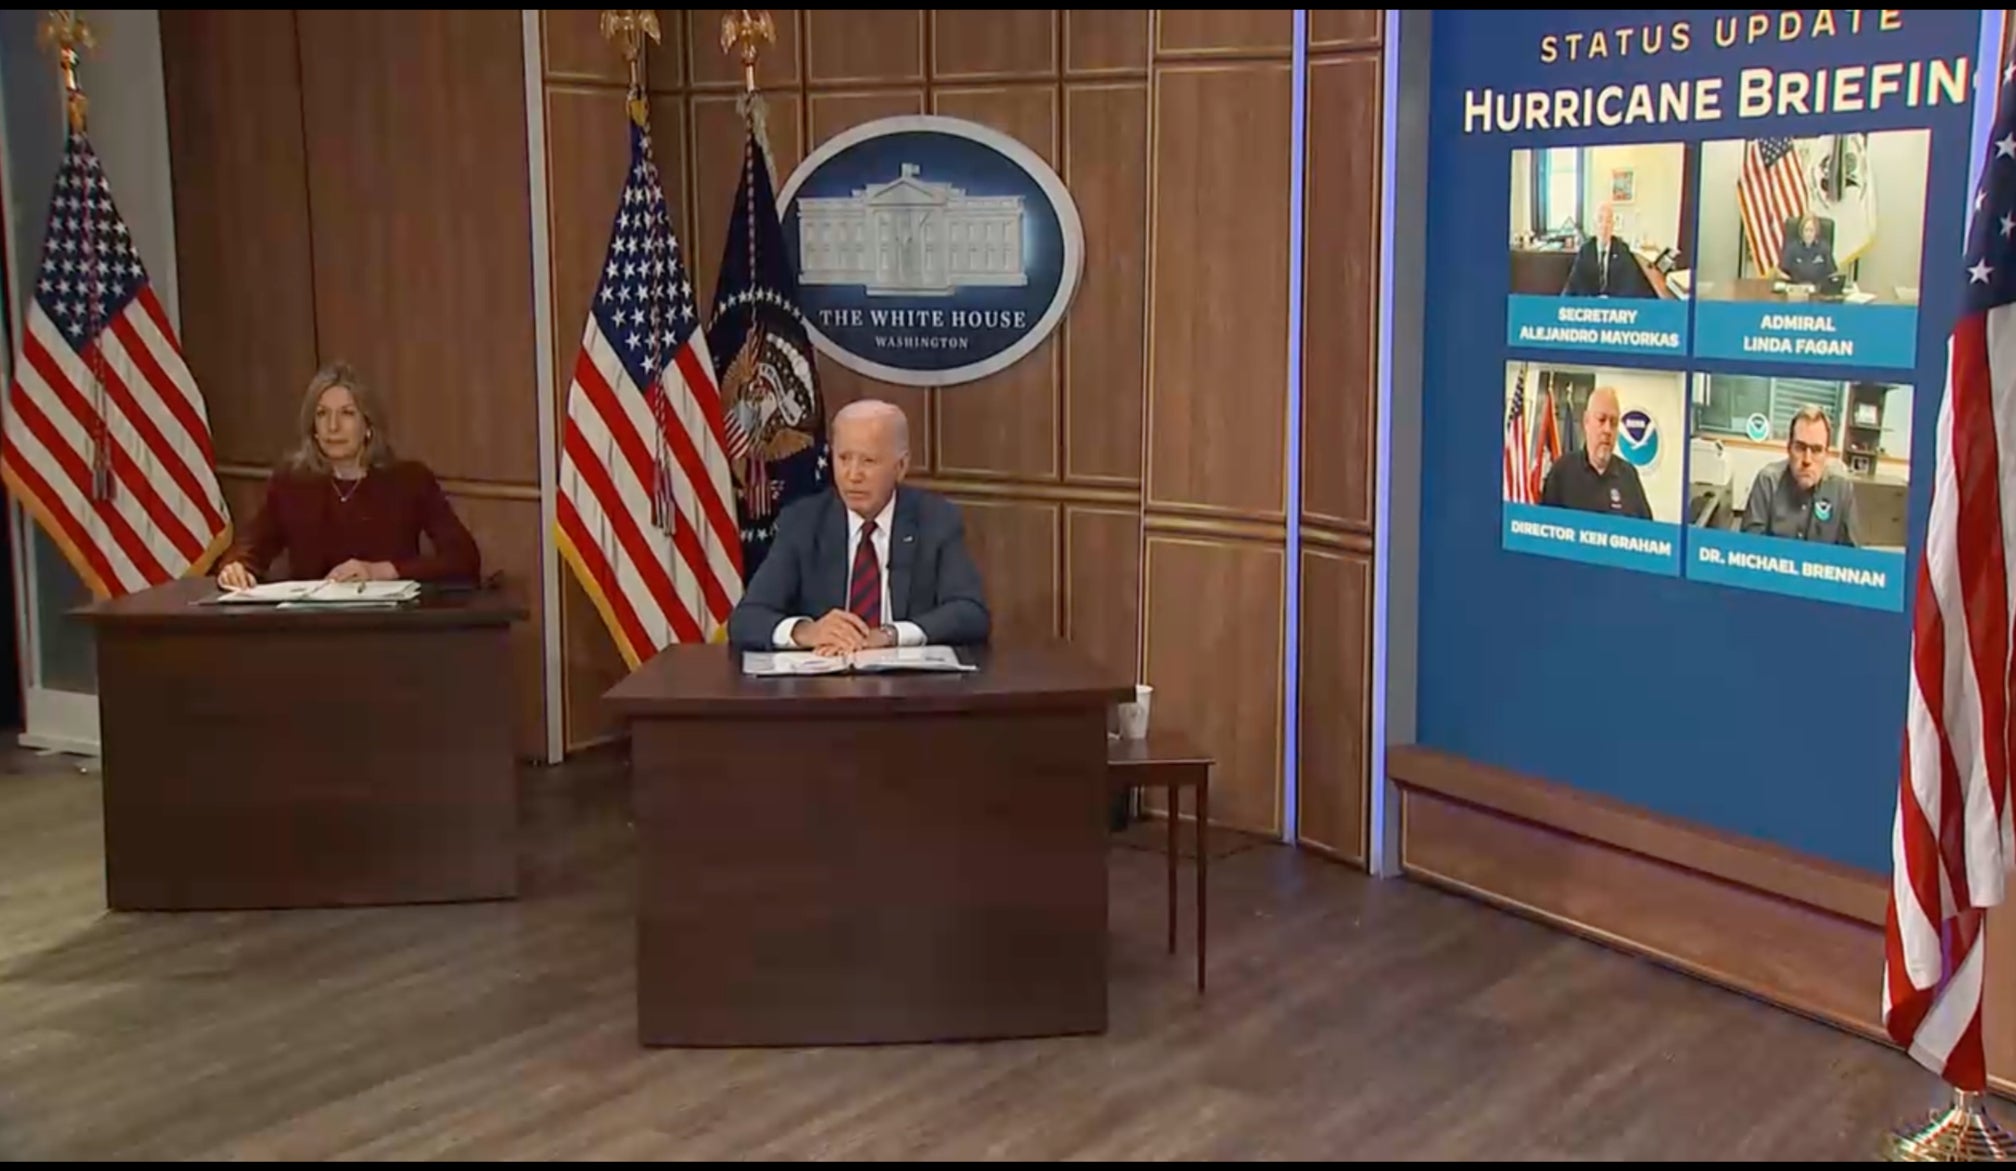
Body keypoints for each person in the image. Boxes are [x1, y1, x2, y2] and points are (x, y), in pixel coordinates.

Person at [727, 398, 989, 654]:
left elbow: (970, 613)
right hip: (824, 689)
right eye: (843, 458)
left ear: (901, 466)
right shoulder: (803, 522)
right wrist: (807, 632)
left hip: (909, 690)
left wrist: (890, 635)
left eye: (868, 461)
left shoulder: (935, 520)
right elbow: (746, 619)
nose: (853, 475)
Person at [216, 362, 481, 589]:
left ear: (368, 425)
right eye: (322, 414)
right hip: (312, 630)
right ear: (314, 429)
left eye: (347, 413)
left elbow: (463, 558)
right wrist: (236, 567)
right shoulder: (293, 483)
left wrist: (382, 571)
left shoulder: (409, 481)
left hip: (390, 630)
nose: (333, 427)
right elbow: (249, 548)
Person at [1741, 404, 1858, 546]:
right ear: (1789, 448)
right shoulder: (1767, 482)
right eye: (1800, 448)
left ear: (1826, 454)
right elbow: (1749, 548)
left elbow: (1851, 556)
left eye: (1816, 450)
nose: (1807, 460)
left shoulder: (1842, 490)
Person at [1537, 387, 1654, 520]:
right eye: (1601, 420)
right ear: (1586, 421)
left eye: (1614, 423)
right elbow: (1544, 529)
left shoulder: (1629, 476)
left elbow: (1647, 533)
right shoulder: (1562, 471)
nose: (1607, 430)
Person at [1560, 202, 1650, 298]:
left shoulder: (1622, 249)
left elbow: (1631, 285)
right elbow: (1574, 284)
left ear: (1613, 226)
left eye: (1608, 221)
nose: (1604, 226)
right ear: (1595, 225)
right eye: (1600, 220)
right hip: (1591, 305)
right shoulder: (1586, 250)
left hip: (1615, 306)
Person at [1776, 214, 1838, 287]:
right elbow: (1780, 272)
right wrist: (1791, 284)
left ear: (1816, 232)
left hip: (1818, 290)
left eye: (1811, 230)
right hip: (1797, 290)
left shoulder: (1824, 248)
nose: (1808, 234)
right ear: (1801, 231)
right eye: (1806, 230)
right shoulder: (1792, 248)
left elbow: (1832, 273)